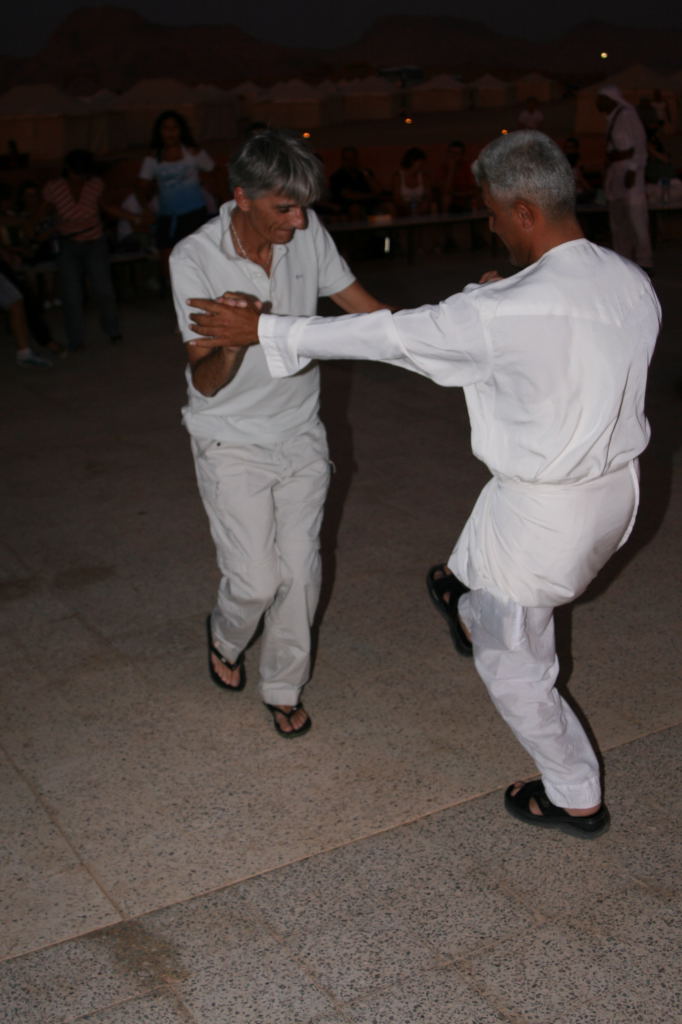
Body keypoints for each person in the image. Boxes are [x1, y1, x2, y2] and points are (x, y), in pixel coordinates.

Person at [187, 131, 660, 837]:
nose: (491, 226)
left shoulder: (501, 313)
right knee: (478, 547)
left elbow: (395, 338)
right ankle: (459, 591)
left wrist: (270, 330)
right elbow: (537, 328)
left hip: (545, 521)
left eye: (494, 214)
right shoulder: (628, 281)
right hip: (614, 495)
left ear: (524, 211)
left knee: (515, 666)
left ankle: (574, 796)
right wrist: (492, 300)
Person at [169, 128, 387, 738]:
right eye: (283, 209)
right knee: (256, 580)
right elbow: (207, 380)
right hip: (229, 436)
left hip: (299, 432)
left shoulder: (309, 235)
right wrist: (241, 338)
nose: (297, 221)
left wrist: (455, 331)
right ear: (242, 196)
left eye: (304, 207)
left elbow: (369, 314)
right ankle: (224, 633)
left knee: (301, 570)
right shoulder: (195, 258)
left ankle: (284, 684)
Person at [43, 149, 136, 351]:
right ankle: (76, 339)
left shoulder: (95, 185)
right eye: (76, 173)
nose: (80, 178)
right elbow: (44, 212)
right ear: (68, 169)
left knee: (103, 289)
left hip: (95, 241)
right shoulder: (54, 188)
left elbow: (107, 206)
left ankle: (113, 330)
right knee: (72, 294)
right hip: (68, 244)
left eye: (83, 173)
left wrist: (133, 217)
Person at [138, 110, 216, 272]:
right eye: (166, 128)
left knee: (200, 262)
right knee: (168, 264)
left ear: (181, 130)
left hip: (195, 214)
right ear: (159, 132)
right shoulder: (152, 158)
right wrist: (146, 209)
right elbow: (141, 187)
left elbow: (215, 173)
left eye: (175, 128)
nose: (171, 133)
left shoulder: (193, 153)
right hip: (168, 216)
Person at [595, 85, 653, 270]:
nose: (597, 103)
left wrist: (633, 169)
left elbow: (638, 145)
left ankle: (645, 261)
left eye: (600, 98)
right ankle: (624, 260)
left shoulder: (627, 115)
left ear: (610, 99)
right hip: (616, 173)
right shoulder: (612, 118)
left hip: (631, 173)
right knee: (618, 219)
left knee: (636, 217)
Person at [329, 146, 384, 219]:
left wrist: (366, 175)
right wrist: (371, 196)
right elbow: (348, 196)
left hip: (371, 204)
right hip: (349, 206)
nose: (350, 162)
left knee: (388, 207)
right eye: (347, 159)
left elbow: (378, 190)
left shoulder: (365, 173)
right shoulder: (337, 176)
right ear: (343, 160)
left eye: (353, 158)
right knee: (355, 209)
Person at [392, 147, 432, 216]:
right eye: (420, 162)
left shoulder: (424, 177)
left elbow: (428, 196)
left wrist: (423, 206)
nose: (422, 165)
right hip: (403, 210)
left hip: (421, 210)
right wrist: (409, 208)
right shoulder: (398, 176)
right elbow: (397, 198)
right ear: (412, 161)